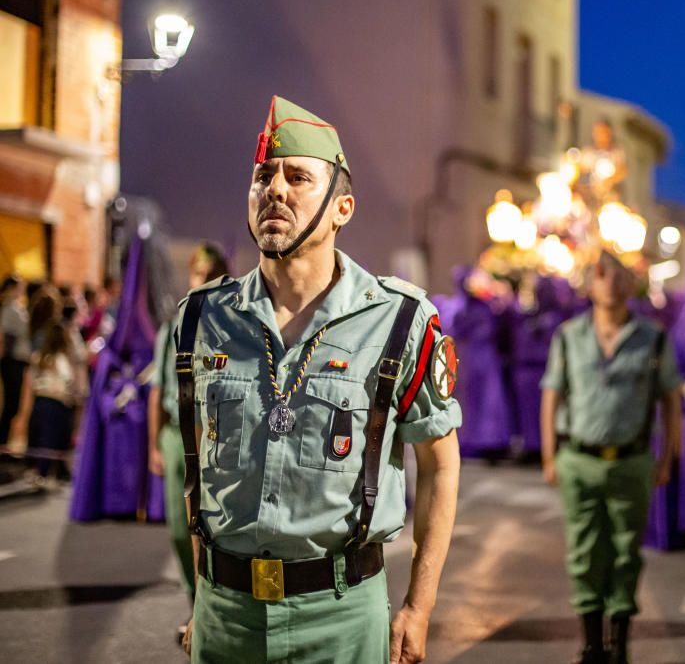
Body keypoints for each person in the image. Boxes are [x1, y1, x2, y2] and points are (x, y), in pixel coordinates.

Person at [177, 96, 462, 664]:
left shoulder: (400, 321)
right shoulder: (200, 318)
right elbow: (199, 474)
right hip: (225, 616)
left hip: (341, 617)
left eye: (297, 176)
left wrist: (419, 606)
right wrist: (203, 595)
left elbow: (439, 463)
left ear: (342, 209)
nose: (274, 190)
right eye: (263, 176)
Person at [540, 251, 682, 664]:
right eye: (602, 276)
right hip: (579, 460)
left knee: (625, 552)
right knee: (584, 552)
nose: (611, 283)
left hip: (631, 461)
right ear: (590, 285)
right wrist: (550, 456)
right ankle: (591, 642)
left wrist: (669, 456)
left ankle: (619, 641)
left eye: (619, 276)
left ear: (631, 285)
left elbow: (671, 399)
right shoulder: (569, 336)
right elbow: (551, 395)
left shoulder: (653, 337)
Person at [148, 243, 230, 642]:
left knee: (211, 524)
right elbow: (157, 388)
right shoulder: (177, 324)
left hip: (211, 430)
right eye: (196, 274)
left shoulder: (229, 328)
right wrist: (153, 445)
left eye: (208, 274)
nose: (200, 281)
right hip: (174, 434)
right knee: (181, 530)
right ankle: (194, 600)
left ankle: (209, 607)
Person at [23, 321, 87, 484]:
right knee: (52, 438)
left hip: (41, 401)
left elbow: (31, 381)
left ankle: (45, 470)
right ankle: (45, 471)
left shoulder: (40, 357)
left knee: (44, 438)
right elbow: (70, 384)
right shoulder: (62, 360)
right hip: (57, 404)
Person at [0, 276, 31, 448]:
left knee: (15, 405)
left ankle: (5, 442)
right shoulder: (9, 308)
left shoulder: (17, 307)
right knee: (11, 405)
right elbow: (7, 337)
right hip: (12, 361)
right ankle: (3, 443)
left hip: (17, 361)